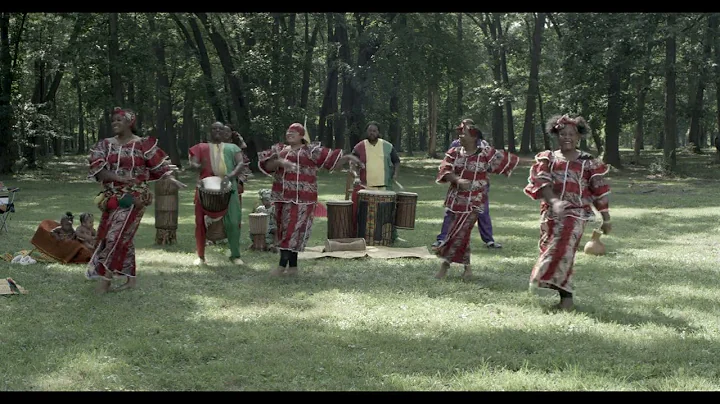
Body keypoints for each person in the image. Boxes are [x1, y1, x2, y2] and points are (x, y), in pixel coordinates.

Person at [86, 107, 186, 294]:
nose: (115, 123)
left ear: (129, 123)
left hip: (135, 197)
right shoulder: (105, 145)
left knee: (116, 235)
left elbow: (158, 165)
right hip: (111, 197)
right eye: (113, 120)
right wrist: (119, 178)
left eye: (119, 120)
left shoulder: (142, 144)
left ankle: (105, 281)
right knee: (123, 235)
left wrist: (170, 178)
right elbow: (98, 170)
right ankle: (131, 281)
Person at [523, 114, 612, 311]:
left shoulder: (589, 163)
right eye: (563, 134)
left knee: (563, 249)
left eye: (571, 134)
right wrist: (554, 202)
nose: (567, 137)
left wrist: (606, 218)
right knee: (556, 250)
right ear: (557, 135)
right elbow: (542, 182)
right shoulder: (547, 158)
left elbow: (599, 191)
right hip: (551, 215)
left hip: (577, 214)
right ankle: (565, 298)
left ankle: (563, 296)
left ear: (579, 137)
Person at [258, 122, 363, 277]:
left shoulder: (311, 150)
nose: (289, 134)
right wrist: (280, 161)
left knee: (294, 231)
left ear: (302, 136)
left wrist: (348, 157)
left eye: (294, 132)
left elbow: (332, 162)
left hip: (303, 200)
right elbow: (267, 166)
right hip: (282, 197)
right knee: (284, 231)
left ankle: (281, 267)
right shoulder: (279, 150)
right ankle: (293, 268)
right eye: (288, 131)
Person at [434, 119, 519, 281]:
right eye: (459, 132)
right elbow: (445, 170)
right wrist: (457, 180)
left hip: (474, 202)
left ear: (474, 137)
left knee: (458, 233)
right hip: (455, 201)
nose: (460, 135)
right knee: (462, 233)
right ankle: (467, 268)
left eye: (463, 133)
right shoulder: (454, 152)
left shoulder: (485, 153)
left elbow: (507, 161)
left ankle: (444, 266)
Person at [433, 119, 502, 250]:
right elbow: (447, 166)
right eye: (462, 128)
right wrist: (457, 179)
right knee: (451, 212)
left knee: (482, 212)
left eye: (466, 128)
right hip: (459, 188)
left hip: (479, 188)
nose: (461, 131)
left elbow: (494, 164)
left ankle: (489, 240)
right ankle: (442, 239)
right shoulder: (455, 146)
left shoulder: (484, 146)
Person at [189, 121, 251, 266]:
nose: (217, 131)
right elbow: (192, 164)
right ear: (209, 131)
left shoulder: (233, 147)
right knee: (199, 223)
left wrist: (231, 175)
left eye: (220, 129)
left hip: (230, 188)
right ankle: (200, 256)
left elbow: (240, 163)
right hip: (205, 189)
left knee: (234, 222)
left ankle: (235, 255)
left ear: (225, 132)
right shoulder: (201, 147)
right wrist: (198, 166)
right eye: (214, 128)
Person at [348, 121, 401, 241]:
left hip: (384, 187)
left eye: (374, 131)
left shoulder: (387, 146)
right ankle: (362, 236)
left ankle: (388, 236)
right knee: (363, 215)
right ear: (367, 132)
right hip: (365, 187)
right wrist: (355, 175)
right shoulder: (360, 146)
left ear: (379, 132)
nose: (372, 133)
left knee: (386, 214)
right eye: (370, 130)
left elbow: (396, 161)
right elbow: (352, 163)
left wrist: (395, 174)